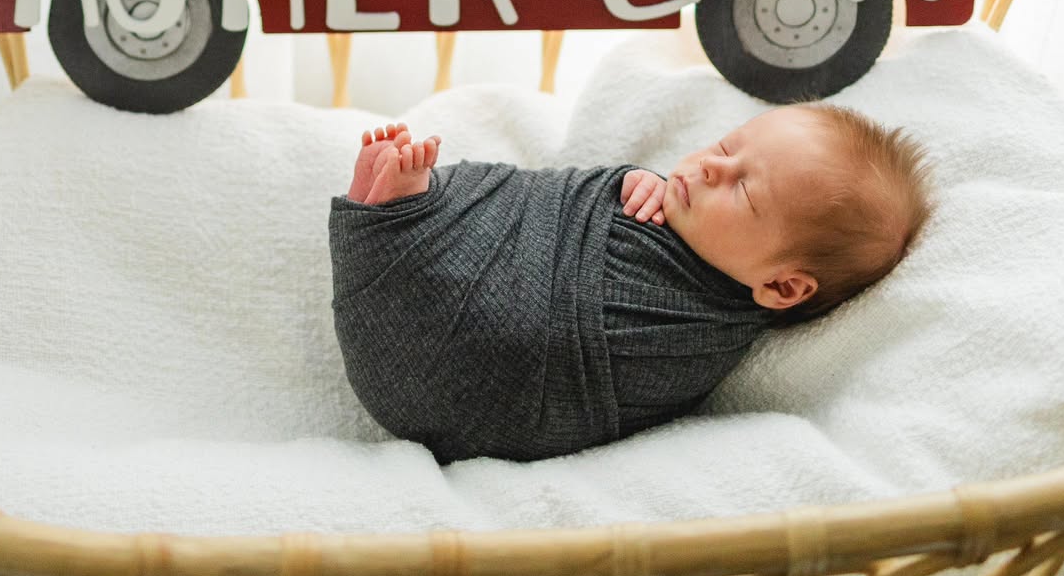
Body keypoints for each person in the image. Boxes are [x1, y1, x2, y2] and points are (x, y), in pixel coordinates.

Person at [327, 104, 931, 462]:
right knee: (485, 191)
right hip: (469, 294)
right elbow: (560, 198)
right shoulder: (668, 207)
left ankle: (398, 230)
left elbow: (591, 384)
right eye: (727, 145)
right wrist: (627, 181)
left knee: (510, 331)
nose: (712, 166)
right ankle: (404, 220)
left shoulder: (695, 336)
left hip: (479, 377)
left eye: (743, 188)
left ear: (782, 288)